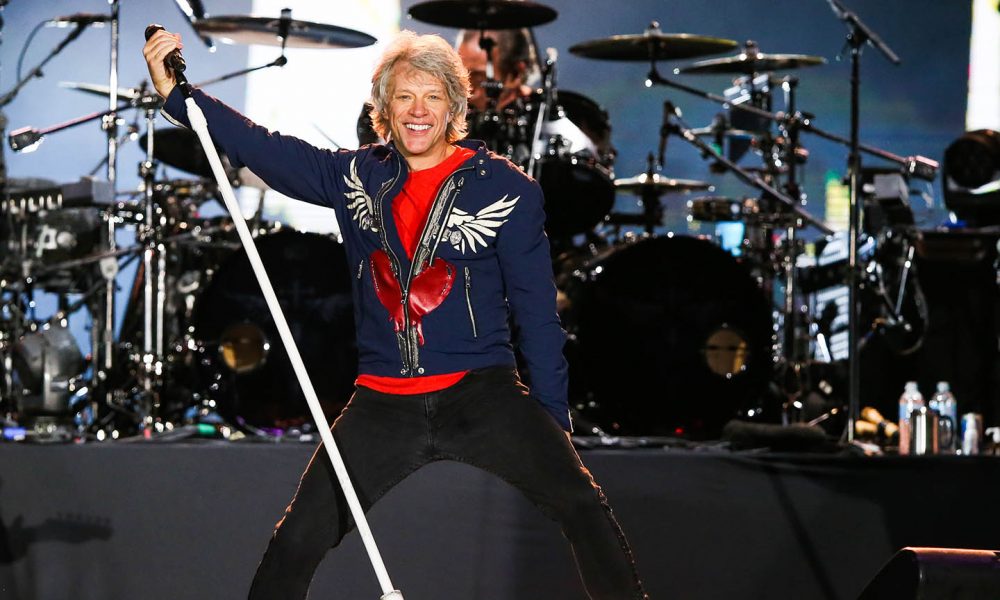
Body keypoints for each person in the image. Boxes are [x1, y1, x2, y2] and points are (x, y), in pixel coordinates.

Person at [143, 28, 646, 599]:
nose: (417, 111)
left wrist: (551, 421)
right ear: (382, 110)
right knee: (296, 540)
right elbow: (263, 146)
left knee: (584, 507)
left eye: (432, 97)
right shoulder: (353, 174)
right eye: (404, 97)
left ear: (454, 107)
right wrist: (178, 97)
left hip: (482, 394)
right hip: (382, 404)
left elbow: (537, 314)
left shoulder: (507, 190)